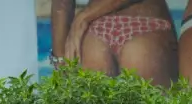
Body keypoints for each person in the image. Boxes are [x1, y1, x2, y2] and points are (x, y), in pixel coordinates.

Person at [50, 0, 178, 87]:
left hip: (93, 35)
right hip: (146, 19)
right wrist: (84, 16)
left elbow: (62, 4)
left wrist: (62, 61)